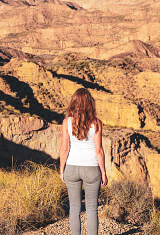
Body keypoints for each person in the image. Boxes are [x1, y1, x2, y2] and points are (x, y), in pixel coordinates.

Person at [59, 88, 108, 235]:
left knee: (74, 208)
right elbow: (99, 150)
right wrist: (103, 173)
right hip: (91, 169)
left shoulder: (66, 122)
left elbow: (63, 149)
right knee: (92, 208)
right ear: (90, 103)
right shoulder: (96, 123)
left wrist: (62, 170)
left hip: (71, 169)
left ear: (73, 103)